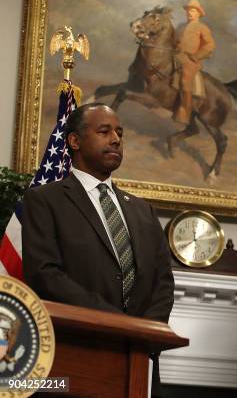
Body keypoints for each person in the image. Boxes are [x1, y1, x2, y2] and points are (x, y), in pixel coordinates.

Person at [22, 103, 174, 395]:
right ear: (75, 141)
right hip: (75, 353)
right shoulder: (45, 200)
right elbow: (45, 275)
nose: (116, 139)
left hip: (138, 357)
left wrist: (145, 333)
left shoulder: (143, 210)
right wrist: (114, 323)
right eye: (104, 131)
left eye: (119, 133)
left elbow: (163, 281)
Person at [174, 0, 216, 124]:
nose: (189, 13)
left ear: (198, 13)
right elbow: (174, 41)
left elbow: (210, 45)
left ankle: (185, 112)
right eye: (188, 10)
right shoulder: (181, 27)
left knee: (185, 80)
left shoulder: (202, 28)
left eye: (192, 10)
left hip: (191, 60)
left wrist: (197, 56)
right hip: (176, 56)